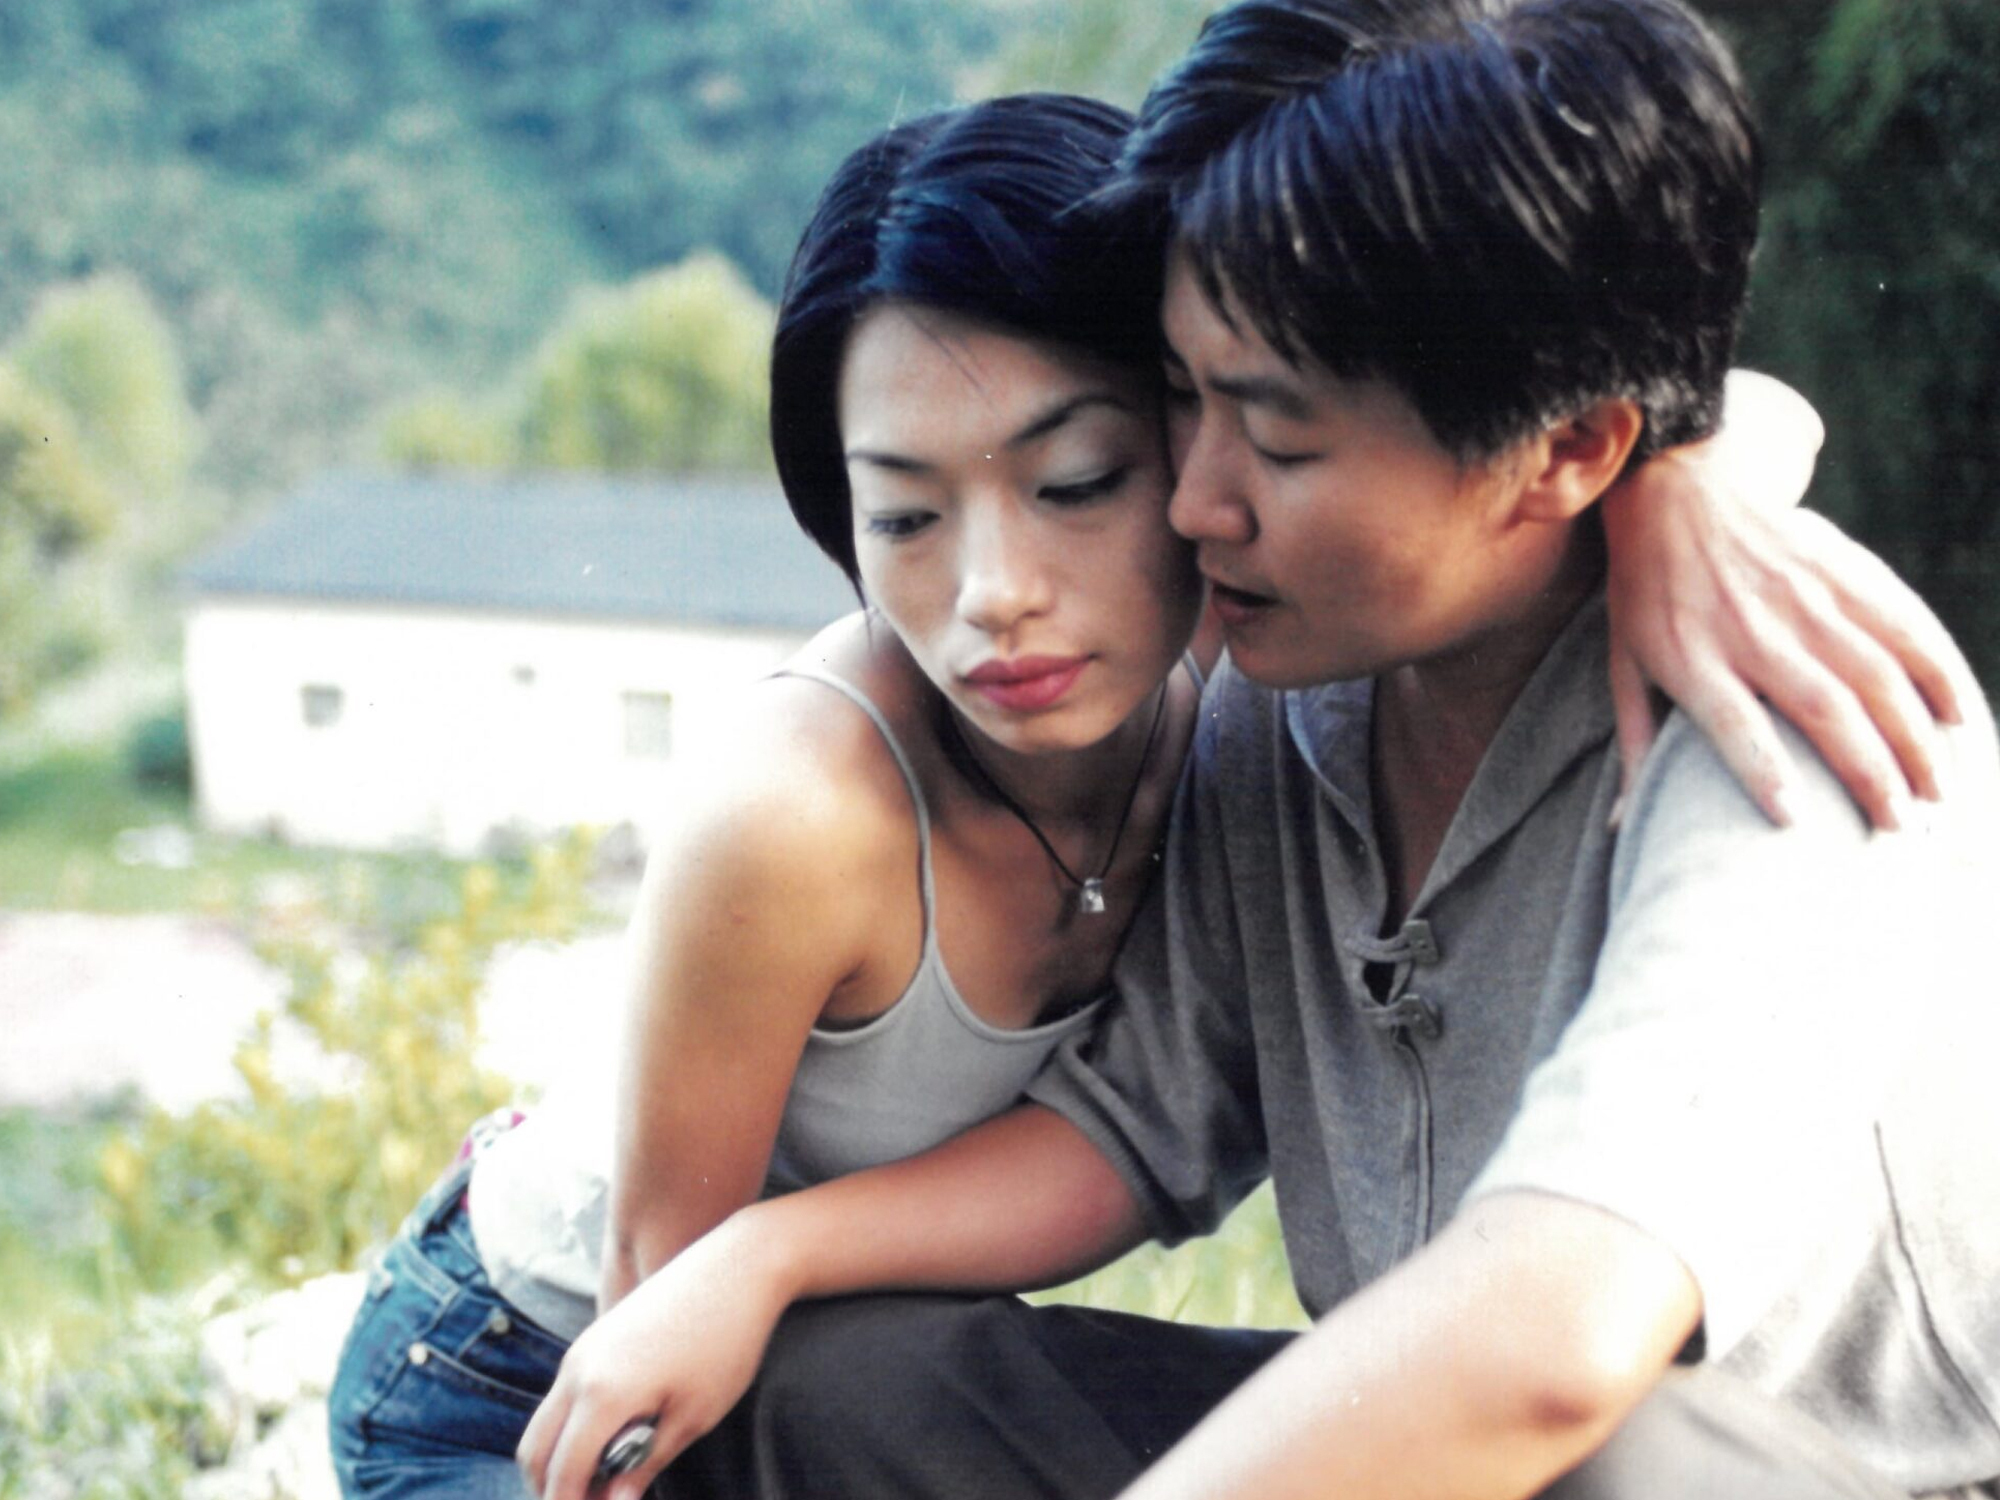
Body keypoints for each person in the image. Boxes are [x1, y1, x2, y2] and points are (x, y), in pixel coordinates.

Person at [514, 5, 1999, 1500]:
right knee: (829, 1388)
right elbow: (1134, 1122)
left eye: (1278, 443)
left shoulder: (1796, 713)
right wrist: (769, 1254)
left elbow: (1556, 1339)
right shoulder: (1292, 686)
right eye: (1176, 401)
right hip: (1440, 1443)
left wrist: (1700, 459)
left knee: (1628, 1453)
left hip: (1789, 1470)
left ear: (1568, 451)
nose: (1193, 500)